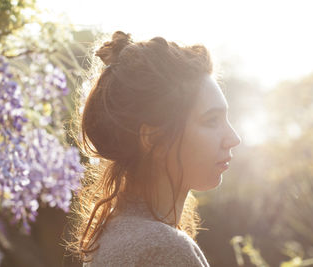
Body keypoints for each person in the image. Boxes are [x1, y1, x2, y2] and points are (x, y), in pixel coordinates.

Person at [64, 30, 241, 266]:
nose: (233, 138)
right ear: (153, 138)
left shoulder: (113, 235)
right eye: (211, 121)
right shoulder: (164, 249)